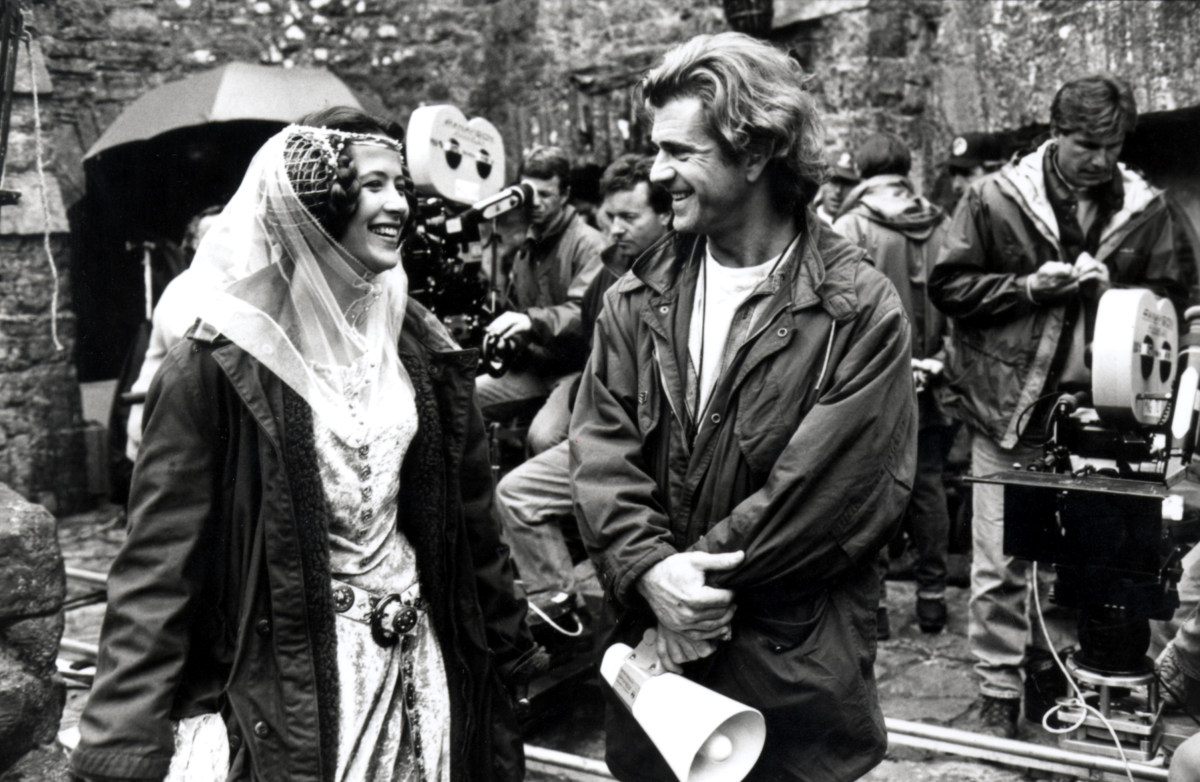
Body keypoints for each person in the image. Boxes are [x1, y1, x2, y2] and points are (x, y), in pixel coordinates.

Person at [70, 107, 544, 782]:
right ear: (313, 205)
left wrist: (507, 649)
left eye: (400, 185)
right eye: (374, 184)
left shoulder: (421, 348)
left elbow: (472, 523)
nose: (397, 204)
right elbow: (159, 566)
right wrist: (124, 738)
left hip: (424, 668)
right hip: (303, 684)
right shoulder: (214, 369)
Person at [570, 33, 917, 782]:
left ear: (756, 152)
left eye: (681, 152)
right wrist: (649, 573)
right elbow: (600, 452)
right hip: (661, 694)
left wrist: (685, 587)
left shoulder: (858, 310)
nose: (659, 172)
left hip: (788, 680)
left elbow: (828, 495)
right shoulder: (636, 296)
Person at [929, 74, 1185, 739]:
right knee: (1000, 558)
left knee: (1084, 552)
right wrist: (1027, 287)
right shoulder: (992, 198)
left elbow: (1170, 303)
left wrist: (1115, 292)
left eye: (1112, 145)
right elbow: (949, 286)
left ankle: (1055, 667)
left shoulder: (1147, 209)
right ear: (1054, 134)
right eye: (1085, 145)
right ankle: (995, 687)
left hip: (1105, 421)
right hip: (1008, 406)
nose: (1100, 159)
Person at [496, 154, 671, 618]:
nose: (615, 229)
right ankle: (559, 601)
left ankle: (567, 600)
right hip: (581, 392)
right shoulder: (606, 266)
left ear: (666, 215)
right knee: (511, 474)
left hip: (628, 429)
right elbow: (600, 351)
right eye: (611, 217)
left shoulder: (673, 277)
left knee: (540, 445)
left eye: (630, 217)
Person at [834, 131, 952, 635]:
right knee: (928, 486)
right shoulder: (943, 221)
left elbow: (841, 309)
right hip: (939, 374)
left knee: (873, 490)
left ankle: (875, 608)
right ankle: (933, 600)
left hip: (879, 376)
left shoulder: (851, 223)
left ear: (861, 171)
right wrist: (939, 359)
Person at [477, 145, 605, 455]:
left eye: (546, 194)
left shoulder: (590, 245)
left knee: (543, 438)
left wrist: (530, 322)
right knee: (463, 401)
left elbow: (582, 315)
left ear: (565, 194)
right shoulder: (528, 245)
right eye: (528, 193)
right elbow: (517, 307)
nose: (535, 203)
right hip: (535, 367)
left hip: (577, 373)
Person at [124, 204, 225, 461]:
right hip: (166, 420)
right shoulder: (183, 288)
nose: (223, 243)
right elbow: (195, 346)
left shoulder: (241, 282)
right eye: (212, 236)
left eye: (229, 232)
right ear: (193, 245)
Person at [814, 150, 859, 225]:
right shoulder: (804, 220)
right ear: (821, 182)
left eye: (847, 183)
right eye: (833, 181)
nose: (838, 191)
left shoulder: (858, 227)